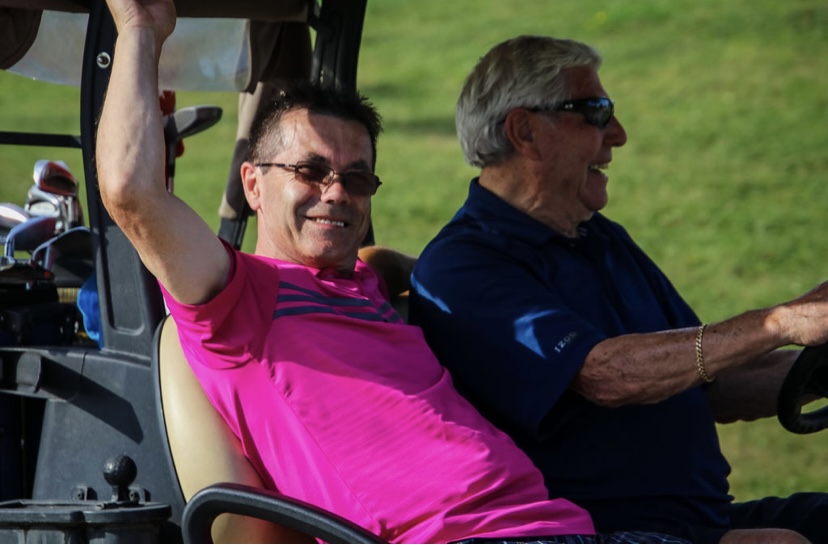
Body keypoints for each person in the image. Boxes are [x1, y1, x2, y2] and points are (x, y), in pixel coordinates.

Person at [93, 3, 696, 543]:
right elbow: (131, 193)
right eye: (310, 171)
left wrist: (414, 270)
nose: (336, 192)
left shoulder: (361, 286)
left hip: (557, 525)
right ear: (253, 183)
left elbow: (381, 266)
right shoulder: (235, 296)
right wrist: (141, 28)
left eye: (357, 179)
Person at [408, 34, 828, 544]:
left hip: (699, 522)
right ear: (525, 131)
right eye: (597, 113)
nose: (619, 135)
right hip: (598, 532)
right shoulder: (464, 266)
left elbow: (709, 379)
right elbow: (605, 375)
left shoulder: (595, 235)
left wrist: (821, 368)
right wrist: (780, 322)